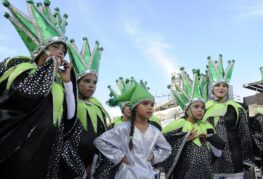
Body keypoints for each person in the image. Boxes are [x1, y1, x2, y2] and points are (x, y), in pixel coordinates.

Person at [0, 1, 77, 178]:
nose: (60, 52)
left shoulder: (57, 83)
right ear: (41, 48)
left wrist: (67, 83)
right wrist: (49, 68)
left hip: (47, 151)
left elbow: (69, 118)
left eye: (63, 50)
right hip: (22, 149)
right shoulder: (21, 67)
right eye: (55, 47)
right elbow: (21, 98)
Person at [94, 81, 171, 179]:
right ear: (135, 107)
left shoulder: (155, 131)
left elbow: (166, 149)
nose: (150, 107)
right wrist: (119, 156)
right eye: (145, 103)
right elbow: (100, 141)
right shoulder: (123, 128)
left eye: (152, 105)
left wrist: (153, 156)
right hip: (127, 174)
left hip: (148, 174)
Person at [60, 37, 111, 178]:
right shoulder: (67, 101)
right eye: (87, 81)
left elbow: (103, 137)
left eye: (94, 82)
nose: (91, 85)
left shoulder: (97, 106)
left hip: (95, 167)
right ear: (76, 82)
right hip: (69, 167)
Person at [161, 68, 225, 179]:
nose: (200, 110)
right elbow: (162, 146)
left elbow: (219, 151)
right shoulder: (177, 125)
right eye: (196, 106)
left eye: (202, 107)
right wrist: (183, 140)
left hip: (207, 174)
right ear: (187, 110)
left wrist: (209, 139)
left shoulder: (207, 126)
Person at [204, 55, 254, 178]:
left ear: (228, 88)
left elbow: (244, 134)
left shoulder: (237, 108)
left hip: (234, 157)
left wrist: (247, 159)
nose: (221, 88)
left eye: (224, 85)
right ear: (212, 89)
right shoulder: (204, 108)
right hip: (210, 158)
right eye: (217, 85)